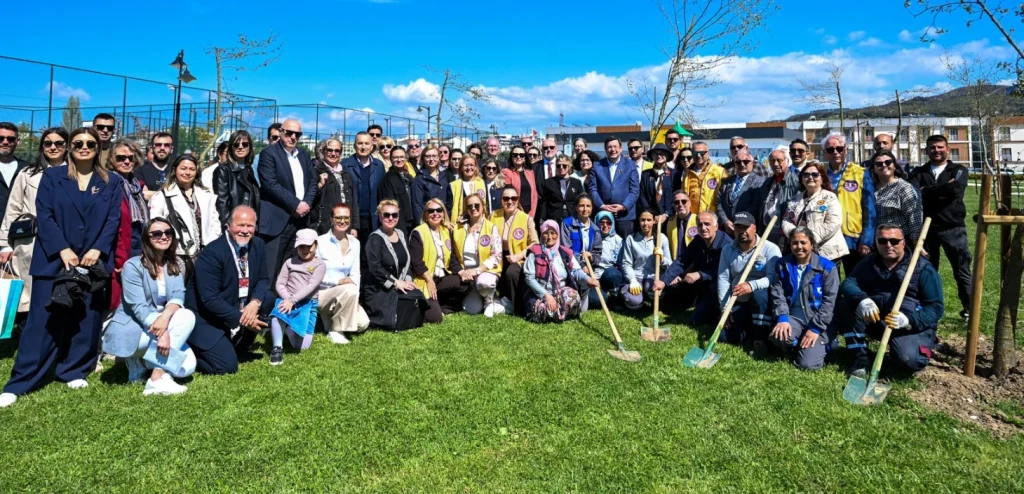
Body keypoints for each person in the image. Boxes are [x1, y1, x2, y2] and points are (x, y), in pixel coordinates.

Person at [0, 127, 124, 408]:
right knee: (41, 323)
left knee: (86, 319)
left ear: (97, 148)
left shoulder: (112, 181)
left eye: (90, 143)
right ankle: (21, 381)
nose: (84, 147)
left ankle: (74, 369)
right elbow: (44, 215)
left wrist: (96, 249)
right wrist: (63, 249)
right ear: (70, 147)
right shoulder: (53, 177)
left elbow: (112, 220)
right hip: (53, 259)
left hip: (92, 261)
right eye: (78, 143)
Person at [102, 218, 197, 395]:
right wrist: (164, 331)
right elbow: (139, 307)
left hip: (162, 325)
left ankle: (144, 363)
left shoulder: (175, 264)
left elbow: (177, 296)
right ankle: (157, 378)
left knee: (188, 367)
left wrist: (165, 319)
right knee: (187, 317)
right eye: (156, 234)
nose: (163, 237)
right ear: (146, 238)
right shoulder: (132, 266)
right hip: (136, 328)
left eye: (168, 233)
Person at [840, 224, 944, 376]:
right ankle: (860, 357)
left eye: (894, 241)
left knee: (908, 360)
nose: (888, 245)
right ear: (876, 242)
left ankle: (924, 342)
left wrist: (909, 321)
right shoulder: (870, 263)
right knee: (847, 303)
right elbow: (848, 283)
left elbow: (935, 307)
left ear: (903, 242)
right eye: (882, 241)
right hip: (879, 320)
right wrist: (863, 300)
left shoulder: (923, 268)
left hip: (909, 324)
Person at [185, 206, 271, 375]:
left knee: (268, 298)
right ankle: (191, 352)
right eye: (240, 225)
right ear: (229, 226)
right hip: (206, 317)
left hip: (236, 301)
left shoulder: (258, 245)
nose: (245, 231)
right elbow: (209, 299)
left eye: (250, 226)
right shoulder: (212, 253)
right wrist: (243, 319)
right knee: (226, 366)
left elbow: (263, 279)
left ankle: (240, 345)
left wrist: (255, 302)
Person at [0, 127, 66, 313]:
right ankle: (27, 337)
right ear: (42, 147)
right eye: (48, 143)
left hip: (64, 242)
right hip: (30, 241)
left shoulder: (76, 175)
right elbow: (12, 209)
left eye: (59, 143)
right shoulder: (27, 173)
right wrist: (5, 244)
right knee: (27, 295)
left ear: (67, 146)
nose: (53, 147)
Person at [909, 134, 972, 320]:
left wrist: (927, 191)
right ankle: (926, 308)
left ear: (947, 149)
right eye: (932, 147)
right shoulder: (919, 172)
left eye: (940, 147)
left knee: (961, 271)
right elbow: (914, 193)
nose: (936, 150)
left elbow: (956, 190)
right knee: (927, 271)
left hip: (953, 229)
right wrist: (943, 189)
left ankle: (970, 309)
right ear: (927, 150)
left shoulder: (958, 170)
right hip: (926, 230)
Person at [768, 227, 840, 370]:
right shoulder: (783, 265)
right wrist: (782, 317)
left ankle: (826, 343)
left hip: (818, 322)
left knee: (807, 365)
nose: (799, 247)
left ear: (812, 245)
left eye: (803, 242)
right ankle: (796, 343)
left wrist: (815, 328)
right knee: (778, 336)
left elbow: (830, 303)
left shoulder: (827, 268)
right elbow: (778, 293)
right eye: (795, 243)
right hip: (794, 318)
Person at [258, 118, 318, 276]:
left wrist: (306, 204)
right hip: (279, 219)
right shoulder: (268, 154)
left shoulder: (304, 155)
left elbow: (313, 182)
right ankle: (267, 301)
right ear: (281, 132)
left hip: (301, 219)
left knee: (294, 268)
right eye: (289, 133)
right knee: (272, 269)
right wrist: (296, 204)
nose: (293, 137)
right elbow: (270, 184)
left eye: (297, 134)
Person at [363, 199, 430, 331]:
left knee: (425, 307)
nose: (391, 218)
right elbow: (375, 269)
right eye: (386, 215)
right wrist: (395, 283)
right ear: (379, 216)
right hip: (379, 289)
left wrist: (408, 281)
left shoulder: (401, 234)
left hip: (400, 284)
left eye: (394, 215)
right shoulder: (375, 239)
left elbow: (407, 263)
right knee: (396, 315)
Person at [716, 212, 782, 346]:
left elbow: (773, 278)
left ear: (755, 228)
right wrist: (725, 308)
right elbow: (723, 278)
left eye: (745, 227)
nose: (741, 231)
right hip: (739, 301)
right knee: (725, 337)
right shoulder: (728, 250)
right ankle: (748, 330)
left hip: (763, 301)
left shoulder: (770, 249)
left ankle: (761, 337)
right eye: (738, 227)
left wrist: (751, 285)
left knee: (760, 294)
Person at [149, 154, 222, 271]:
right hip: (176, 255)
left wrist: (210, 244)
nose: (187, 173)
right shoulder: (162, 196)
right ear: (174, 170)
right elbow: (155, 225)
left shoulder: (207, 196)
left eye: (192, 169)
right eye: (183, 168)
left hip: (204, 253)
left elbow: (215, 222)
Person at [656, 211, 730, 326]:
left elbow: (726, 273)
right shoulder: (698, 240)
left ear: (716, 226)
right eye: (700, 225)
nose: (703, 228)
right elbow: (682, 260)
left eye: (707, 224)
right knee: (691, 319)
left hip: (721, 288)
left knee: (700, 319)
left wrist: (700, 274)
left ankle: (719, 312)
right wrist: (663, 281)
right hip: (702, 286)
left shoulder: (727, 244)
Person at [268, 229, 326, 365]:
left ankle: (288, 330)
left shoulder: (320, 265)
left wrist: (292, 300)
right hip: (287, 300)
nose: (305, 250)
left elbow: (311, 286)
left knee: (302, 347)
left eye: (309, 246)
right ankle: (277, 347)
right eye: (301, 247)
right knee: (278, 313)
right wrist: (288, 299)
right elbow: (280, 283)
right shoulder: (289, 263)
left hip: (308, 303)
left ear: (316, 246)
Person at [523, 220, 599, 322]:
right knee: (539, 310)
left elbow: (576, 271)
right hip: (540, 294)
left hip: (561, 292)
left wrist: (588, 280)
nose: (550, 237)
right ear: (542, 235)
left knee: (573, 296)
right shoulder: (534, 253)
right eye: (546, 233)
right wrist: (547, 296)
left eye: (553, 233)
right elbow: (530, 279)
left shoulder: (565, 252)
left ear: (558, 234)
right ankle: (561, 312)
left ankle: (555, 313)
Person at [822, 133, 876, 275]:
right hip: (827, 237)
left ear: (846, 150)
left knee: (856, 279)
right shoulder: (819, 175)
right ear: (825, 153)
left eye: (839, 149)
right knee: (829, 280)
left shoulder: (860, 173)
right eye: (830, 150)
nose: (835, 152)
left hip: (853, 238)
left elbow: (869, 210)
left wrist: (867, 240)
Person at [409, 198, 469, 322]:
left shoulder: (446, 231)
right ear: (425, 215)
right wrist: (429, 281)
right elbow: (417, 263)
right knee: (435, 318)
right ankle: (426, 305)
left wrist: (461, 272)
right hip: (426, 279)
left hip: (442, 278)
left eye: (439, 210)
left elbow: (451, 258)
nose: (435, 213)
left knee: (468, 282)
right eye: (431, 211)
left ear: (443, 213)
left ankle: (443, 306)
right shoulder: (418, 232)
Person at [316, 203, 369, 344]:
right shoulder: (320, 242)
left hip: (347, 293)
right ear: (331, 220)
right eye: (338, 217)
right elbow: (314, 274)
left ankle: (329, 321)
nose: (342, 221)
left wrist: (355, 298)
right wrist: (337, 281)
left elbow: (355, 273)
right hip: (323, 293)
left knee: (362, 324)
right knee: (349, 289)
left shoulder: (355, 243)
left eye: (346, 218)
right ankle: (335, 331)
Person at [781, 161, 849, 263]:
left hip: (826, 252)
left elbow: (833, 222)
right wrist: (795, 235)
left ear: (822, 179)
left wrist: (810, 239)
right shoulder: (795, 200)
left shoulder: (830, 197)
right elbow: (786, 220)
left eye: (815, 174)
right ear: (802, 179)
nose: (810, 177)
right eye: (806, 175)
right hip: (800, 251)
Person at [453, 193, 503, 316]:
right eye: (470, 206)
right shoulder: (458, 228)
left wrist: (478, 270)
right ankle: (480, 295)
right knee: (471, 309)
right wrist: (463, 272)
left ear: (483, 207)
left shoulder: (491, 227)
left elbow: (496, 255)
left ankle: (490, 298)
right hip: (466, 274)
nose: (473, 208)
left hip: (485, 271)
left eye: (477, 205)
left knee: (484, 283)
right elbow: (453, 253)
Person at [492, 185, 539, 314]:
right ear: (501, 200)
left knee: (512, 272)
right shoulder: (494, 216)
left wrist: (519, 255)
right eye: (506, 198)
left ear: (518, 200)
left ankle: (516, 306)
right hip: (498, 256)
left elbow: (535, 244)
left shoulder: (526, 219)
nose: (510, 201)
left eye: (513, 198)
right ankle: (494, 300)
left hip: (519, 258)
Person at [588, 137, 640, 236]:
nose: (613, 149)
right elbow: (592, 189)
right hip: (603, 216)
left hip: (625, 217)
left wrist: (623, 206)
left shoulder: (630, 165)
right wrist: (602, 206)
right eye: (609, 147)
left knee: (625, 247)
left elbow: (635, 190)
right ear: (605, 149)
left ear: (620, 148)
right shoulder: (597, 165)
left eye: (615, 146)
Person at [620, 210, 671, 310]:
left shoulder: (662, 238)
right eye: (643, 220)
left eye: (649, 220)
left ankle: (648, 297)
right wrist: (632, 280)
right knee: (634, 302)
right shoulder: (631, 239)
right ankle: (636, 297)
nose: (645, 223)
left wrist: (662, 258)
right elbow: (626, 263)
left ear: (654, 221)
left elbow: (670, 264)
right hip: (636, 276)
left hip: (653, 277)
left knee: (652, 289)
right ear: (639, 221)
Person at [871, 150, 923, 247]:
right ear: (874, 169)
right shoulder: (870, 188)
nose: (883, 165)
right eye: (879, 163)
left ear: (894, 166)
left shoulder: (904, 188)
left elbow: (914, 217)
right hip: (877, 241)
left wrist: (917, 243)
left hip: (898, 241)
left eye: (888, 162)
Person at [343, 132, 386, 241]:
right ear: (354, 146)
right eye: (360, 143)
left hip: (374, 219)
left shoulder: (379, 166)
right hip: (353, 219)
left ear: (372, 146)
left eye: (367, 143)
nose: (363, 147)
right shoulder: (345, 165)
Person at [311, 138, 359, 236]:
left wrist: (354, 226)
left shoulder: (346, 173)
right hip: (326, 226)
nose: (333, 154)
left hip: (345, 224)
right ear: (323, 151)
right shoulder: (315, 172)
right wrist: (320, 185)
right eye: (329, 150)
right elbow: (309, 198)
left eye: (337, 151)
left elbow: (353, 201)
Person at [213, 130, 260, 228]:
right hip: (234, 225)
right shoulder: (223, 170)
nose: (240, 147)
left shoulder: (249, 169)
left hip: (250, 223)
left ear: (250, 147)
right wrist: (228, 225)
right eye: (236, 144)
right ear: (231, 147)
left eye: (245, 144)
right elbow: (222, 202)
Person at [757, 148, 801, 250]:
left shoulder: (796, 181)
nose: (776, 164)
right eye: (772, 161)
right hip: (766, 231)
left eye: (779, 160)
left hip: (783, 233)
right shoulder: (767, 182)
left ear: (787, 161)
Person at [716, 150, 765, 236]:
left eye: (746, 162)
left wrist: (737, 222)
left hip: (746, 229)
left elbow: (755, 205)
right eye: (738, 162)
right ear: (734, 164)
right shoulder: (726, 181)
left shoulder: (760, 182)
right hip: (727, 230)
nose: (742, 164)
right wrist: (725, 221)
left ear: (752, 163)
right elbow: (718, 202)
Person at [678, 141, 727, 216]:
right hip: (692, 218)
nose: (698, 155)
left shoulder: (719, 171)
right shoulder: (688, 173)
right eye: (695, 153)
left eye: (702, 153)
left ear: (707, 153)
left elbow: (724, 198)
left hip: (712, 218)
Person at [589, 211, 624, 309]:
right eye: (601, 222)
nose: (605, 226)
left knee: (612, 274)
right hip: (595, 276)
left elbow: (621, 263)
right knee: (596, 300)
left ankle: (615, 298)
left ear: (612, 223)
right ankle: (604, 296)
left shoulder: (618, 240)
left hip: (611, 275)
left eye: (608, 223)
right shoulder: (591, 238)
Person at [378, 146, 416, 234]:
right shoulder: (387, 179)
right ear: (391, 159)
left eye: (402, 157)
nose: (399, 160)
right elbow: (389, 206)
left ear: (406, 158)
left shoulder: (409, 177)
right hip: (400, 224)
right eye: (395, 157)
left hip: (412, 222)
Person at [411, 145, 454, 222]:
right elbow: (417, 206)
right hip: (428, 221)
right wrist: (423, 226)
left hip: (443, 221)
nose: (431, 159)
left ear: (438, 158)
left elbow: (449, 201)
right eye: (428, 156)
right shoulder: (419, 180)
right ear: (423, 159)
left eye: (434, 156)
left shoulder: (444, 177)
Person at [538, 154, 584, 224]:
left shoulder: (576, 182)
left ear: (569, 167)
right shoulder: (548, 182)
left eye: (564, 166)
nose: (561, 168)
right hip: (554, 217)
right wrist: (542, 218)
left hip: (572, 216)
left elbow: (580, 201)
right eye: (558, 166)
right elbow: (544, 202)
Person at [638, 144, 676, 224]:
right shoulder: (645, 174)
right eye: (656, 154)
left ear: (667, 156)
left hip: (670, 217)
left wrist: (666, 214)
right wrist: (650, 214)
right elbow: (642, 195)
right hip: (651, 218)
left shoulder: (674, 174)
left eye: (662, 153)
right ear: (652, 156)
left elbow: (676, 195)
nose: (659, 156)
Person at [0, 122, 30, 220]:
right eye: (1, 138)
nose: (5, 142)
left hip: (16, 230)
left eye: (10, 139)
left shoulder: (28, 169)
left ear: (17, 141)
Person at [501, 145, 538, 217]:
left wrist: (532, 214)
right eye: (515, 155)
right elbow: (508, 195)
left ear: (524, 158)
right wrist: (521, 212)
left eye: (521, 155)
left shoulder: (530, 173)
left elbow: (534, 195)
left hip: (530, 213)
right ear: (511, 157)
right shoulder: (506, 172)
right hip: (514, 211)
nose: (518, 157)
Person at [135, 132, 173, 200]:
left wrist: (152, 193)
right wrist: (172, 195)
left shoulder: (176, 170)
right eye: (158, 145)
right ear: (153, 148)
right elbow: (144, 194)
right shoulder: (141, 171)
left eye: (166, 145)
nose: (162, 148)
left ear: (171, 149)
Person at [448, 155, 486, 223]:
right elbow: (449, 208)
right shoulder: (453, 185)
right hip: (459, 223)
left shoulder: (482, 183)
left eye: (471, 165)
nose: (469, 168)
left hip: (478, 223)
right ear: (461, 168)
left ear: (475, 167)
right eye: (466, 165)